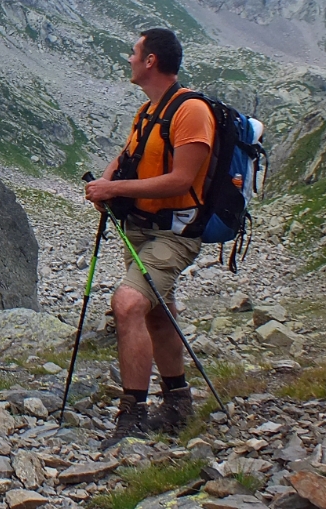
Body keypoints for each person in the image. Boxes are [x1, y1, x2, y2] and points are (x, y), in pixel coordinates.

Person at [84, 28, 215, 447]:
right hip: (140, 229)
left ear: (152, 60)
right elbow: (127, 157)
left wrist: (115, 190)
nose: (129, 58)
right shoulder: (149, 111)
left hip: (174, 233)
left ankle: (132, 417)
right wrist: (104, 184)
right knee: (157, 310)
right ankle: (177, 403)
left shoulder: (191, 111)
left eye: (134, 52)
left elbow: (181, 178)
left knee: (127, 304)